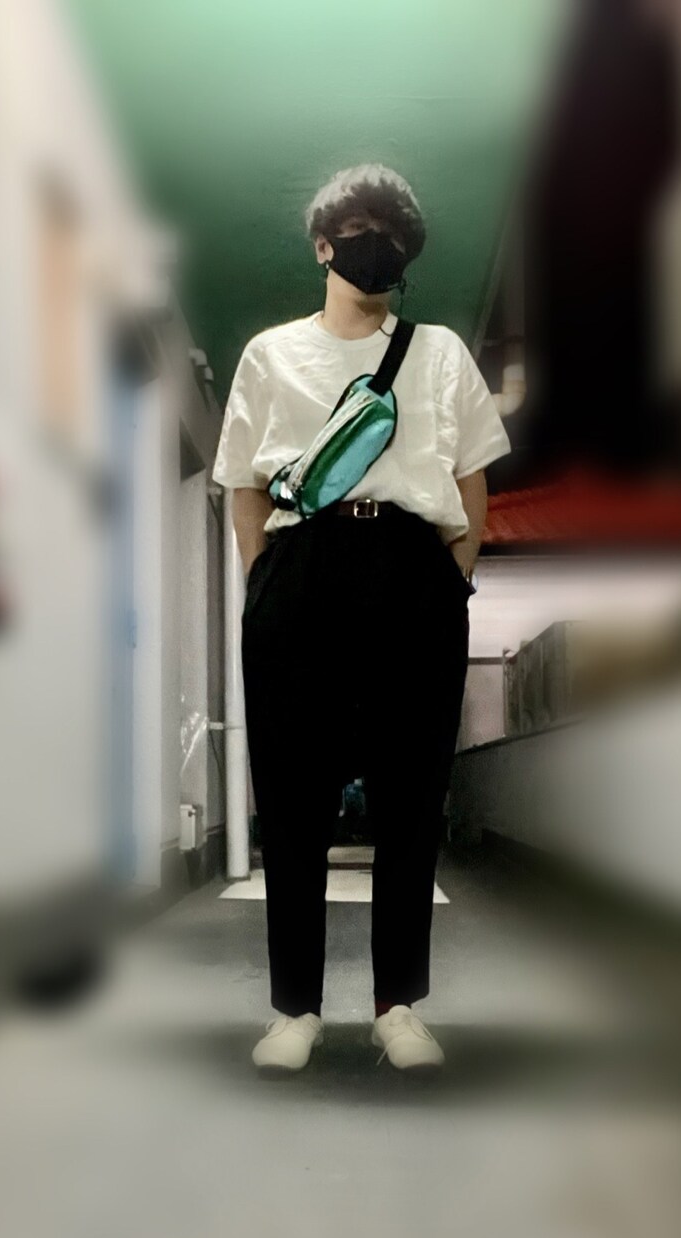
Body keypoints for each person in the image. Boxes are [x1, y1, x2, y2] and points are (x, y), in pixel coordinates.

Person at [211, 163, 510, 1073]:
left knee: (411, 795)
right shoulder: (270, 355)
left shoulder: (441, 353)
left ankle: (398, 1007)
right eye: (359, 230)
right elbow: (245, 484)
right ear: (323, 245)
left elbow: (472, 486)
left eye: (392, 235)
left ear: (406, 255)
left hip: (413, 571)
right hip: (300, 570)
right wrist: (264, 582)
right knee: (292, 796)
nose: (376, 246)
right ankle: (295, 1010)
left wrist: (451, 584)